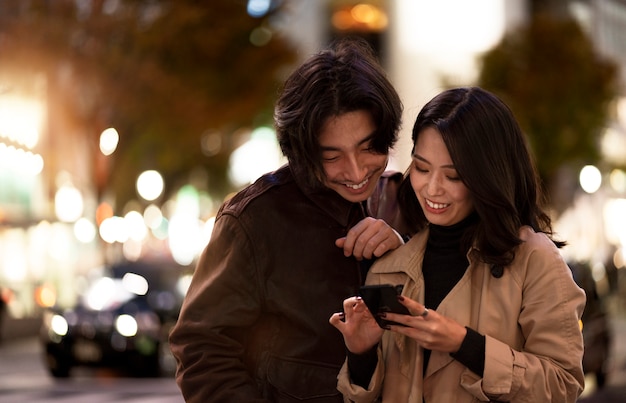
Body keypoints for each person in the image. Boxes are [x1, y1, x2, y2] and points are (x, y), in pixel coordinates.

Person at [169, 37, 410, 402]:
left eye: (367, 147)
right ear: (303, 151)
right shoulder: (254, 220)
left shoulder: (400, 200)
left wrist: (403, 253)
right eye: (333, 156)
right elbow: (202, 350)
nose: (357, 170)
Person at [329, 87, 586, 402]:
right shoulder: (390, 267)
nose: (432, 189)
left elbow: (563, 385)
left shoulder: (534, 259)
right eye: (422, 168)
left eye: (453, 176)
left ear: (487, 177)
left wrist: (464, 343)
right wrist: (361, 353)